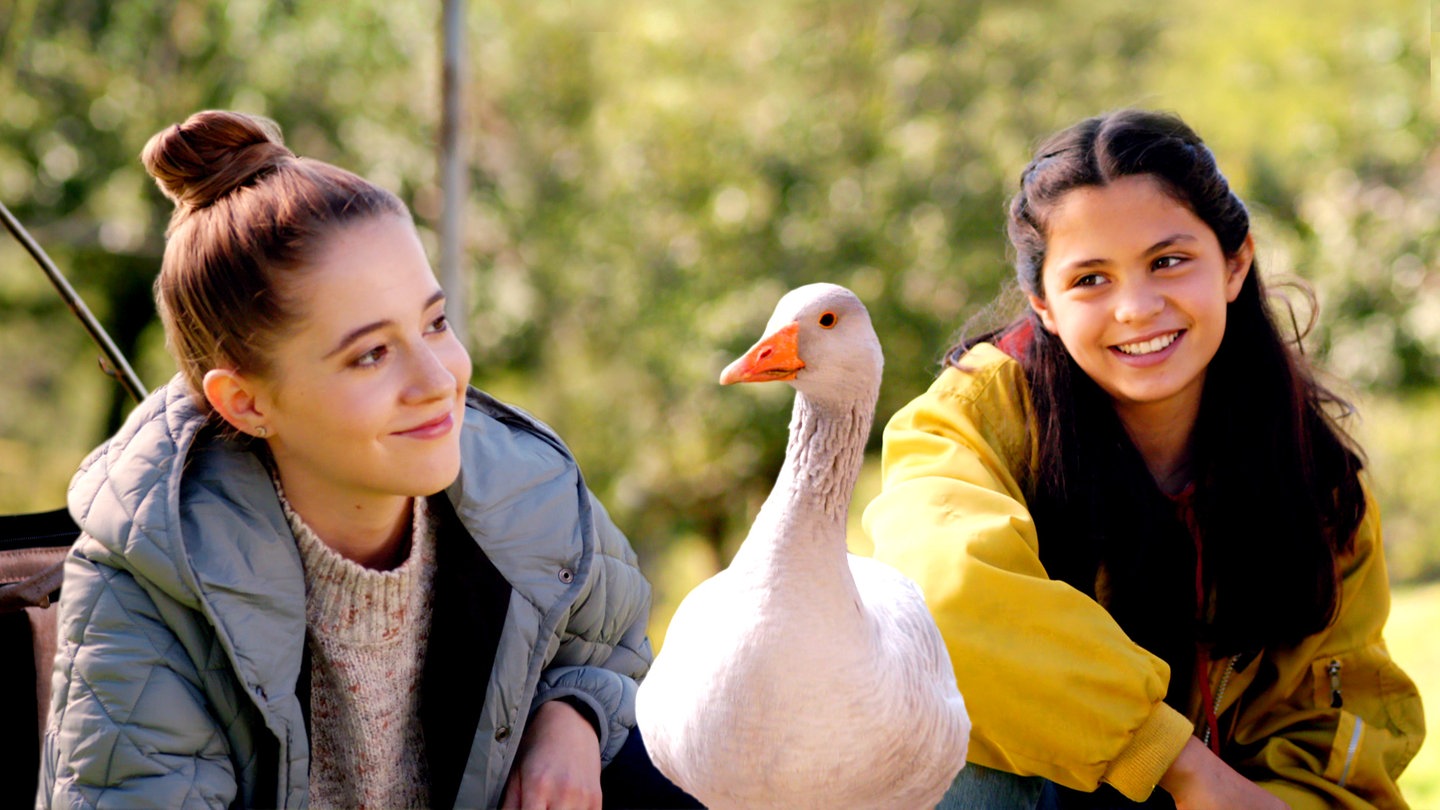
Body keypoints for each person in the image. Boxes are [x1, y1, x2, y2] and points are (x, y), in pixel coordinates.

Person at [39, 110, 654, 810]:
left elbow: (614, 654)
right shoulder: (147, 585)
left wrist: (573, 716)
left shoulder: (526, 487)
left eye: (435, 323)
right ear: (245, 403)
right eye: (371, 354)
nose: (439, 381)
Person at [862, 109, 1424, 809]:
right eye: (1090, 280)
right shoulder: (969, 420)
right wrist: (1176, 764)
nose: (1136, 307)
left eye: (1168, 261)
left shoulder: (1313, 476)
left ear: (1235, 263)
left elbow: (1342, 728)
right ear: (1044, 306)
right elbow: (945, 597)